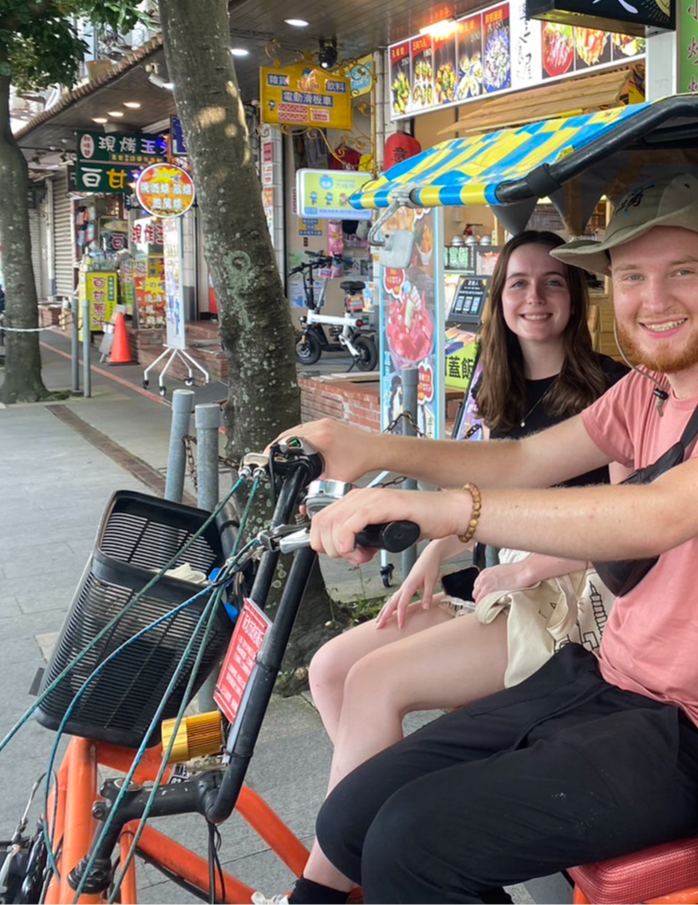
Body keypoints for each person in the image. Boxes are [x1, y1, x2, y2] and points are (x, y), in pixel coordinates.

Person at [285, 177, 698, 905]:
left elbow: (656, 515)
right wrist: (365, 447)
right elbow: (521, 459)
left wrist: (451, 514)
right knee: (350, 816)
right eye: (632, 275)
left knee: (412, 846)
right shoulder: (648, 389)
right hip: (600, 674)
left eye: (682, 272)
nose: (655, 297)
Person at [257, 232, 627, 905]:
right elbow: (487, 501)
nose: (534, 297)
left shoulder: (615, 389)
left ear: (575, 297)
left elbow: (634, 528)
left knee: (373, 680)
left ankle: (321, 891)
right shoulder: (496, 388)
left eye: (552, 282)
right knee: (330, 668)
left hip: (567, 602)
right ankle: (372, 857)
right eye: (518, 281)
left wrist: (524, 566)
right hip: (496, 585)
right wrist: (431, 552)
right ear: (497, 297)